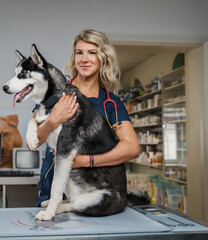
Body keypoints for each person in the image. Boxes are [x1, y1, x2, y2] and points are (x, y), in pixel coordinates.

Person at [30, 29, 140, 207]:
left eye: (92, 53)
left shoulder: (110, 103)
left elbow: (132, 148)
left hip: (90, 194)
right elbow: (33, 141)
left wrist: (87, 161)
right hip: (53, 192)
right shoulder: (56, 93)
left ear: (103, 57)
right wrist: (53, 120)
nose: (84, 59)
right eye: (79, 53)